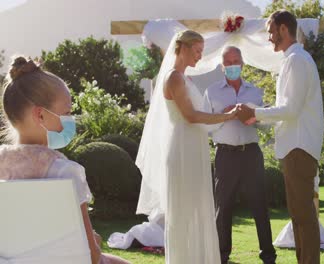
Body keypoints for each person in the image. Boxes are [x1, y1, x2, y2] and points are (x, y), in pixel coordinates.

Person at [0, 56, 129, 264]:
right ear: (40, 115)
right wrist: (95, 244)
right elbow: (92, 256)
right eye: (67, 112)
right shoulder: (65, 172)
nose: (71, 119)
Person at [135, 30, 238, 264]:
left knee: (197, 208)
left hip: (193, 147)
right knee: (183, 212)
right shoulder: (174, 78)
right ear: (183, 48)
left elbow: (196, 114)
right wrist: (227, 117)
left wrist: (219, 115)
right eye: (198, 51)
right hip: (182, 149)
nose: (200, 57)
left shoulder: (184, 77)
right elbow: (190, 116)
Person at [237, 10, 324, 264]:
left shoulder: (297, 60)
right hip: (294, 147)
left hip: (298, 147)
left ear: (284, 29)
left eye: (271, 32)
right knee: (299, 215)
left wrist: (254, 112)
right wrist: (257, 117)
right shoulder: (293, 60)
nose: (269, 38)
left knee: (304, 217)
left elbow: (291, 109)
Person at [203, 46, 276, 264]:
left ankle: (269, 256)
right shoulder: (211, 92)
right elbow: (205, 127)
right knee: (223, 208)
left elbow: (265, 127)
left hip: (251, 154)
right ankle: (222, 256)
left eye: (236, 61)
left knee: (260, 207)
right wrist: (225, 116)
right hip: (225, 155)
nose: (232, 65)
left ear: (243, 64)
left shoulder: (255, 91)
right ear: (222, 66)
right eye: (228, 62)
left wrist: (254, 117)